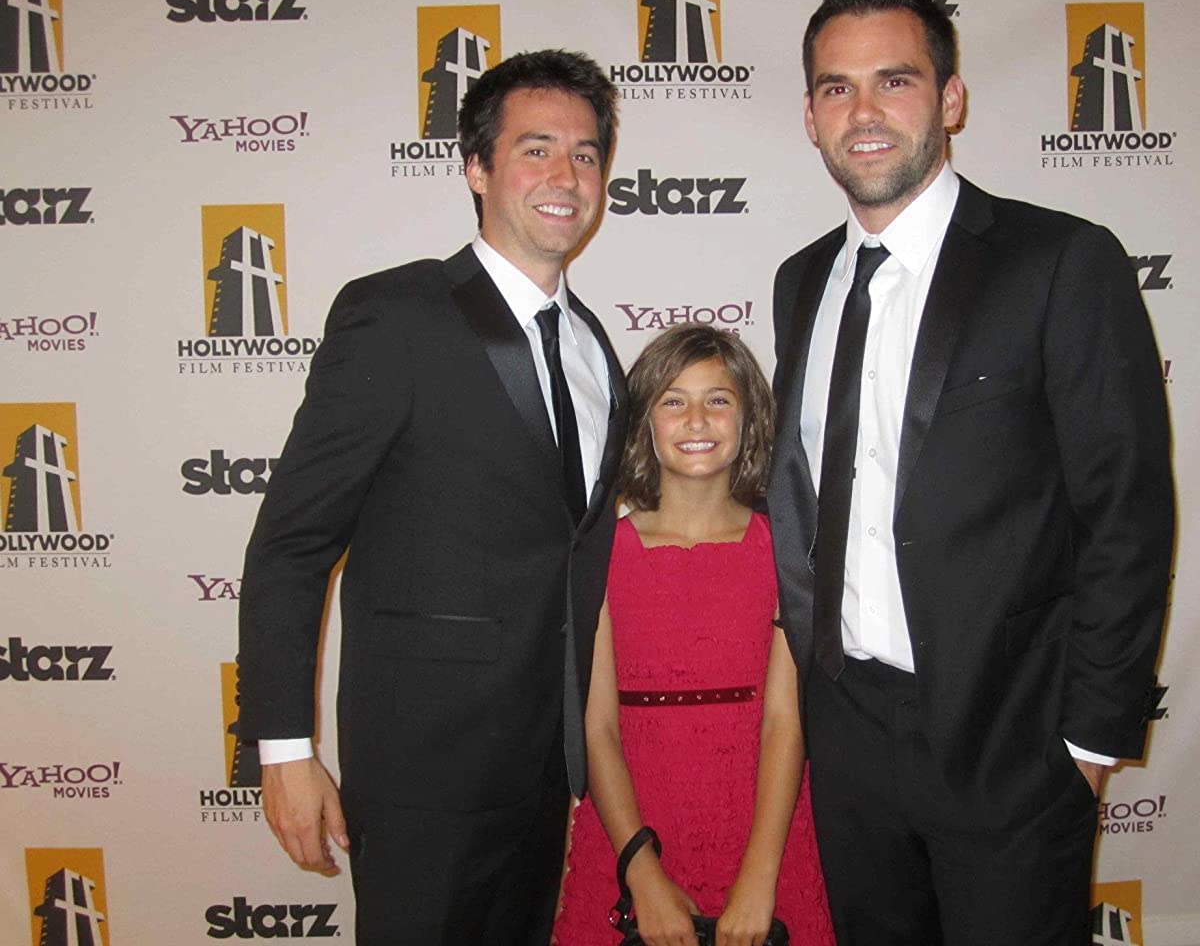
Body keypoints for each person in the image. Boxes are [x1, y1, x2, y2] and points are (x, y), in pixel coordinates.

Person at [766, 0, 1174, 946]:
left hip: (1010, 740)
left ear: (949, 99)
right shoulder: (800, 281)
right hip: (847, 733)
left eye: (895, 80)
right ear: (810, 116)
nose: (864, 112)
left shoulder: (1058, 261)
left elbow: (1124, 511)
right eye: (836, 88)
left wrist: (1087, 740)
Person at [235, 49, 628, 945]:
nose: (565, 176)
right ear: (476, 168)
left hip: (545, 767)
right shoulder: (398, 314)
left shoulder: (593, 346)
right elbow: (292, 542)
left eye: (585, 154)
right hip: (422, 768)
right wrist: (284, 752)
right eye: (535, 149)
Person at [553, 324, 834, 946]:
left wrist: (761, 876)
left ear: (749, 419)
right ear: (644, 423)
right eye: (673, 401)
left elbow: (784, 722)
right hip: (632, 828)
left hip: (764, 830)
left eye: (718, 399)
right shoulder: (601, 553)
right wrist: (641, 872)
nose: (697, 420)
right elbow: (597, 728)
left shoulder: (785, 552)